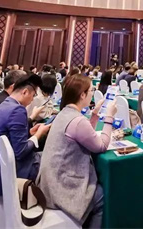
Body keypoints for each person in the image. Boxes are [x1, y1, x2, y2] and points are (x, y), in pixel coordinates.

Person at [37, 73, 117, 227]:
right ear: (82, 95)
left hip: (49, 181)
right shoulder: (77, 120)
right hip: (60, 187)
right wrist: (109, 118)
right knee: (100, 196)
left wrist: (94, 114)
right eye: (91, 90)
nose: (93, 93)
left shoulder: (65, 113)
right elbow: (101, 146)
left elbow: (85, 135)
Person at [0, 75, 51, 197]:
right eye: (33, 95)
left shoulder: (5, 104)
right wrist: (38, 134)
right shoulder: (18, 110)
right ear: (25, 92)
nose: (32, 100)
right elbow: (21, 152)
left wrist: (30, 133)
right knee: (53, 162)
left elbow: (11, 135)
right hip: (11, 169)